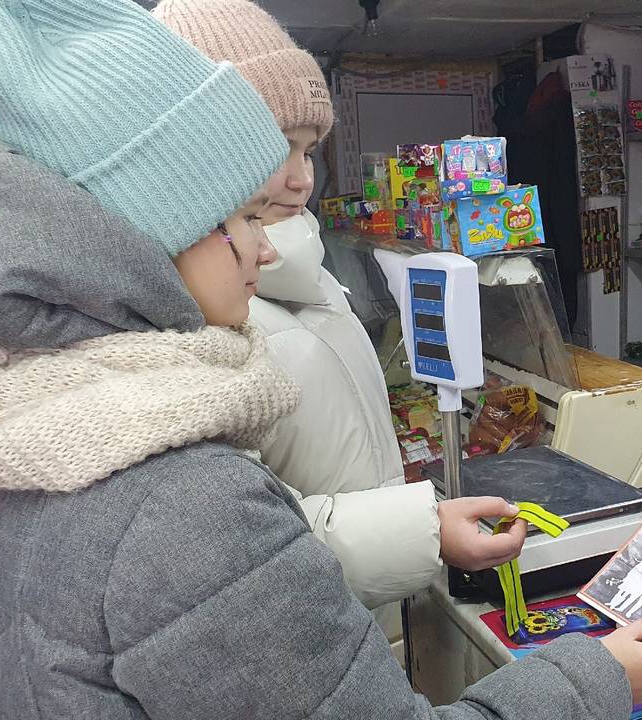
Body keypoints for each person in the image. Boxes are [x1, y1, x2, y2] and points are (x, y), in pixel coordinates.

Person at [0, 0, 642, 717]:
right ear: (154, 231)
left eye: (306, 152)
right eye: (242, 214)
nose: (266, 242)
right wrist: (596, 677)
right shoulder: (179, 497)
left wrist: (418, 525)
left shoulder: (21, 428)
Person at [151, 0, 460, 617]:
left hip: (363, 608)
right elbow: (238, 550)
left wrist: (417, 526)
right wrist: (425, 531)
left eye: (309, 151)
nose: (301, 180)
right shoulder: (189, 319)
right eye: (277, 149)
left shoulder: (310, 274)